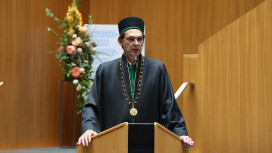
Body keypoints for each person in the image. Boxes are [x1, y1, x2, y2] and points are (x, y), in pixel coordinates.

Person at [78, 16, 194, 150]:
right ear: (120, 41)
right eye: (131, 39)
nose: (136, 43)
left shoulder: (157, 69)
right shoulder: (105, 70)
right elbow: (92, 105)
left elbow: (169, 106)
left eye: (140, 39)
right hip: (114, 142)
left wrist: (181, 133)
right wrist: (89, 128)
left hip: (149, 142)